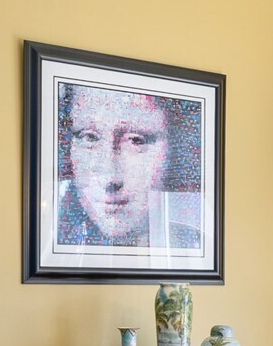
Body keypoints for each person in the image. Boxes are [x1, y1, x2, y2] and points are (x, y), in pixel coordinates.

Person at [55, 83, 202, 249]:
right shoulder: (50, 238)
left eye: (136, 140)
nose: (110, 179)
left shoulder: (196, 246)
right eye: (89, 137)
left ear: (175, 149)